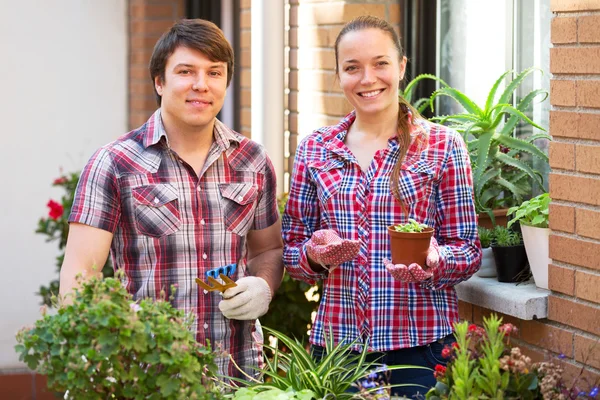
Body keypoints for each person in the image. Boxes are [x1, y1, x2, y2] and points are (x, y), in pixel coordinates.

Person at [59, 19, 284, 379]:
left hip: (238, 374)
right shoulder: (115, 163)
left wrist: (264, 285)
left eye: (214, 72)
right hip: (148, 376)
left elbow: (268, 250)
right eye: (186, 71)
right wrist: (113, 331)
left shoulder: (253, 160)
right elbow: (78, 277)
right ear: (159, 82)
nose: (201, 84)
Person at [282, 15, 481, 397]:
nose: (367, 78)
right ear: (338, 74)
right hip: (338, 349)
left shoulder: (442, 145)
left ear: (402, 66)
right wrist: (315, 254)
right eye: (352, 67)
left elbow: (468, 251)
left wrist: (436, 259)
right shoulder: (316, 149)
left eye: (380, 63)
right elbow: (292, 249)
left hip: (422, 350)